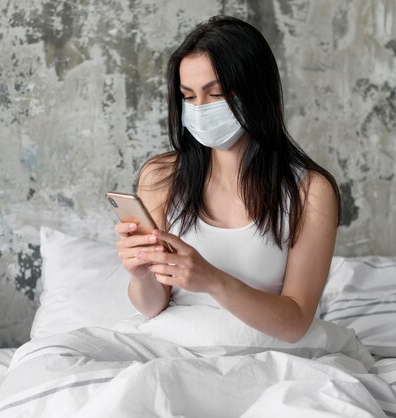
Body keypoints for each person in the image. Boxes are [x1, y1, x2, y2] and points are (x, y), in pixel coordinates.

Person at [114, 15, 341, 343]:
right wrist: (140, 275)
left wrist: (212, 280)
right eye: (189, 97)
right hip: (174, 345)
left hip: (267, 353)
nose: (200, 108)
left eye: (216, 94)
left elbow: (295, 322)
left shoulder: (309, 192)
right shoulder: (161, 178)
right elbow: (151, 306)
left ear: (256, 93)